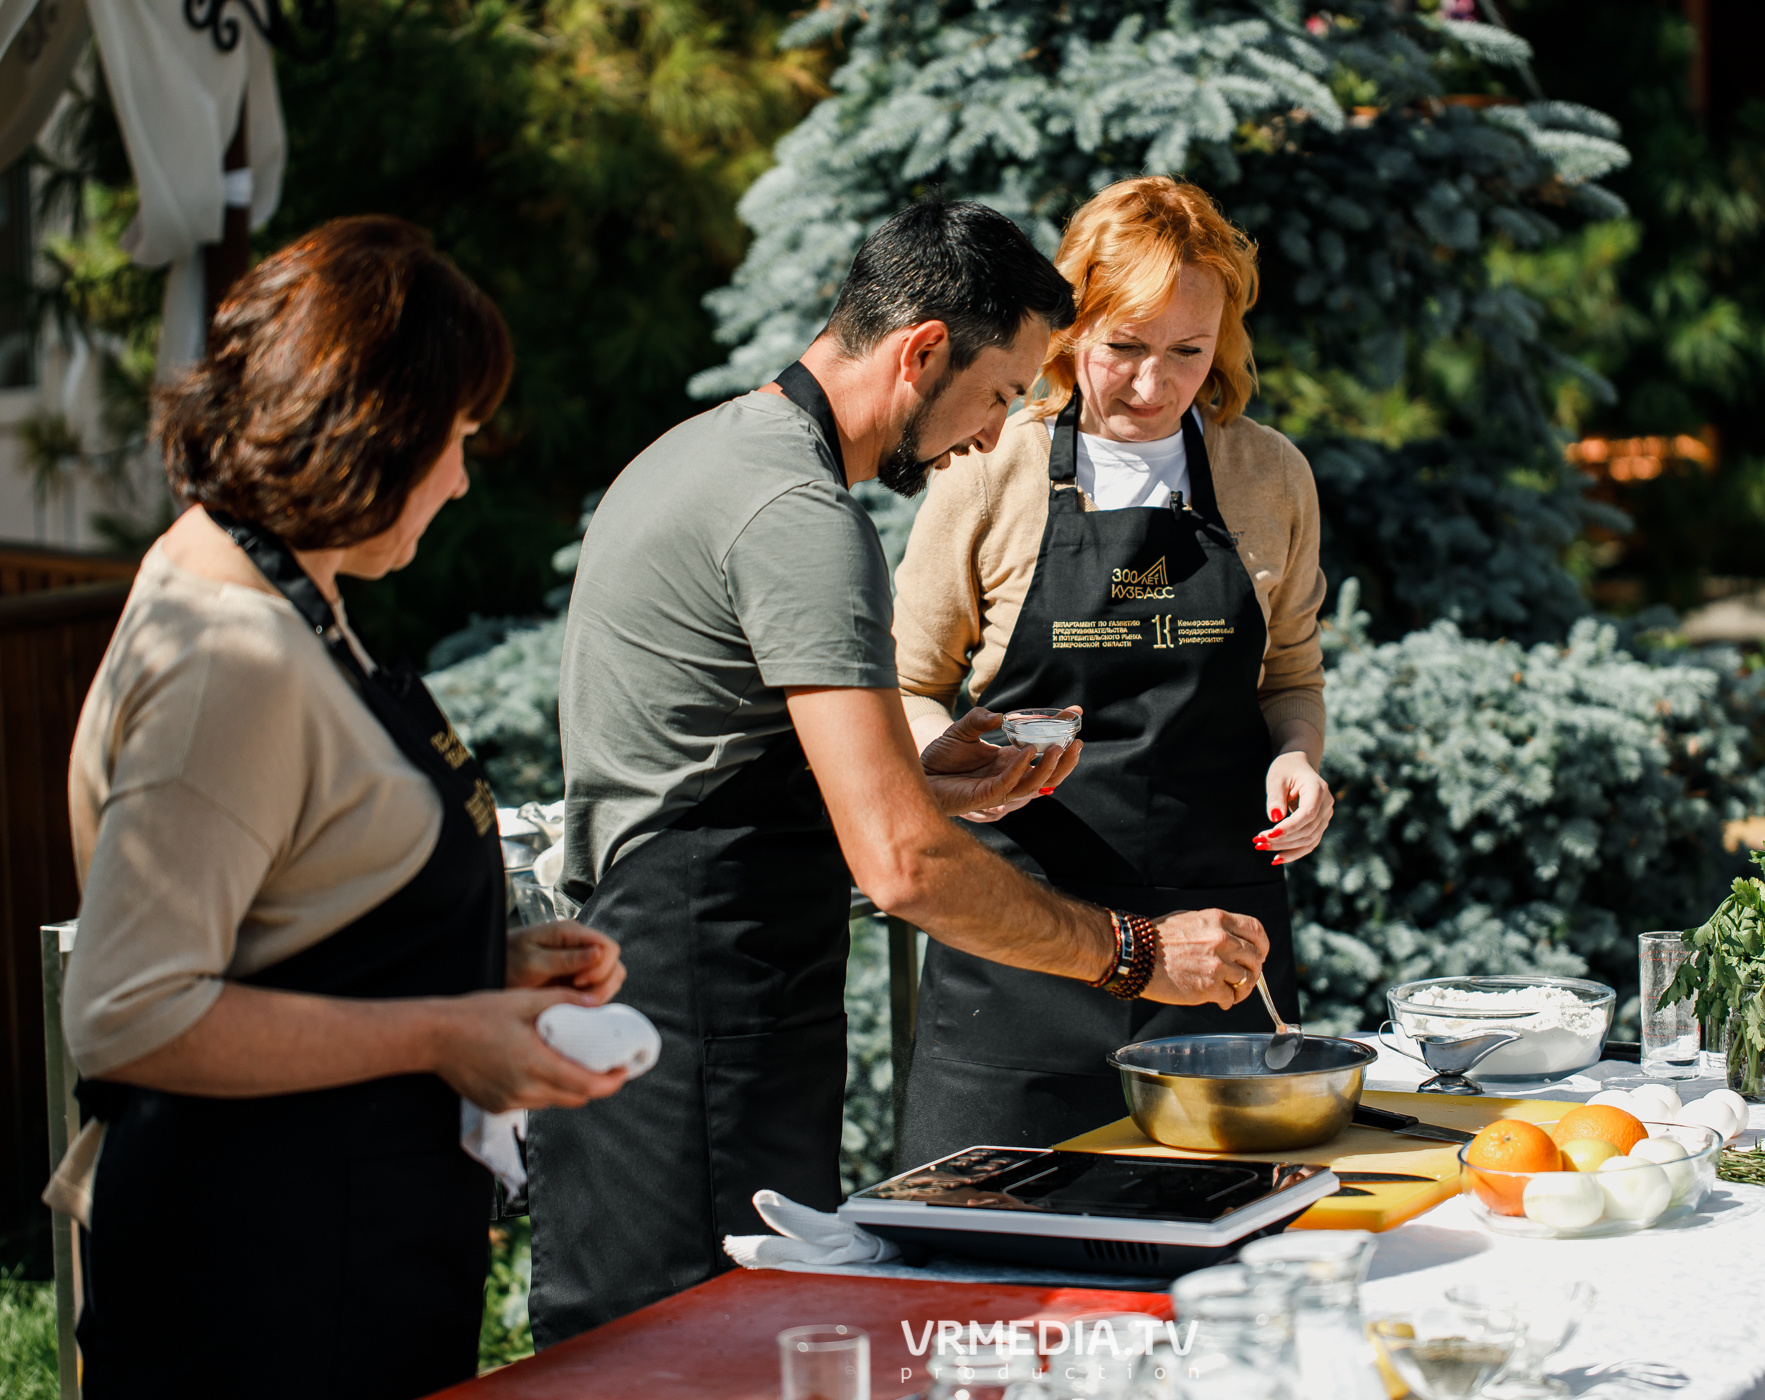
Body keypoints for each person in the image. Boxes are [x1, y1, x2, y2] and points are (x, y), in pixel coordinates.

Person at [533, 200, 1272, 1344]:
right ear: (923, 350)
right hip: (704, 1011)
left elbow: (723, 759)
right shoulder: (801, 514)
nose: (992, 434)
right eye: (998, 393)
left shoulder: (709, 450)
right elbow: (905, 868)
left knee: (634, 1350)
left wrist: (930, 775)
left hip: (671, 986)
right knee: (701, 1354)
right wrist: (1136, 951)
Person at [51, 216, 631, 1399]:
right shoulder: (229, 654)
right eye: (457, 436)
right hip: (261, 1301)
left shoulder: (280, 589)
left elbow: (285, 912)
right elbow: (130, 1013)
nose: (462, 476)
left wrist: (476, 963)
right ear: (375, 427)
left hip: (344, 1258)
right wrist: (442, 1031)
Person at [889, 177, 1334, 1164]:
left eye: (1189, 351)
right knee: (992, 1238)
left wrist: (1297, 758)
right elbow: (908, 683)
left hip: (1218, 943)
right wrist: (954, 769)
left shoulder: (1269, 476)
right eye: (1124, 346)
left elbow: (1291, 677)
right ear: (1070, 326)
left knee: (1224, 1233)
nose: (1153, 384)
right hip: (1023, 950)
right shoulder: (991, 468)